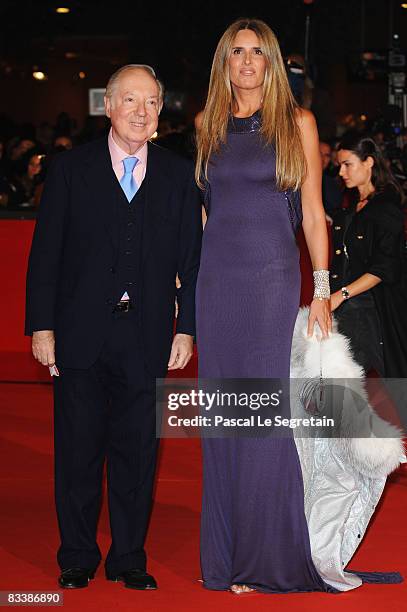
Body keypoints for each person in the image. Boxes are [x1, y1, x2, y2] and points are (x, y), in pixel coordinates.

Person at [25, 64, 202, 591]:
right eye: (131, 101)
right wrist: (42, 327)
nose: (142, 112)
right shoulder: (70, 169)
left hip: (147, 335)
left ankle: (129, 556)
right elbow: (45, 256)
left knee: (138, 453)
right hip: (79, 333)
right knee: (77, 452)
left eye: (152, 103)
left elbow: (192, 264)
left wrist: (185, 328)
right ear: (109, 106)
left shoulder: (178, 174)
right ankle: (77, 554)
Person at [195, 18, 333, 594]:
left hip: (272, 281)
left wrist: (322, 291)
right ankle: (224, 560)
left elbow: (312, 214)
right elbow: (206, 210)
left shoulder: (297, 123)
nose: (247, 62)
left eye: (257, 53)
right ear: (224, 62)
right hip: (216, 284)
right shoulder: (206, 124)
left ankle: (260, 558)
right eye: (237, 52)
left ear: (271, 61)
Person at [330, 134, 407, 377]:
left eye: (347, 165)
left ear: (369, 163)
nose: (342, 172)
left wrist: (340, 295)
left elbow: (382, 269)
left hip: (372, 309)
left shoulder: (386, 208)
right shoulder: (352, 208)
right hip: (350, 307)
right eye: (339, 165)